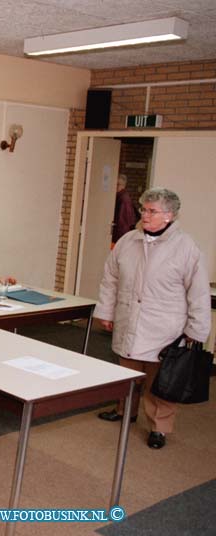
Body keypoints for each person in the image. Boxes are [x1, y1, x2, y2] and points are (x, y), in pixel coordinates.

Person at [94, 187, 211, 450]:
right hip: (129, 319)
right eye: (143, 209)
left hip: (165, 329)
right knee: (126, 374)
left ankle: (160, 428)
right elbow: (110, 278)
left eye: (151, 211)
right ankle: (125, 411)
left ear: (169, 215)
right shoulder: (128, 241)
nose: (144, 215)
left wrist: (196, 329)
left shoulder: (186, 247)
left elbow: (199, 292)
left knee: (162, 383)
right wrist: (106, 311)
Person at [112, 174, 138, 243]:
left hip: (119, 236)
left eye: (117, 184)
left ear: (123, 186)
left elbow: (123, 222)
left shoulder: (123, 199)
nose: (115, 187)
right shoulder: (122, 197)